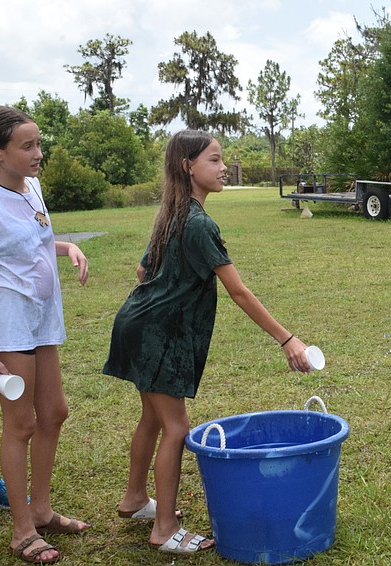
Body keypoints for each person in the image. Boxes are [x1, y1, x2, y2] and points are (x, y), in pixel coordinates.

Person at [102, 129, 313, 556]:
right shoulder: (198, 223)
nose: (222, 168)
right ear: (188, 167)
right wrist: (286, 339)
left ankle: (135, 498)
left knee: (153, 418)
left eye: (221, 160)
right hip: (158, 334)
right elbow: (239, 292)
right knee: (176, 426)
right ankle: (163, 529)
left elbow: (143, 273)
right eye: (214, 160)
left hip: (137, 323)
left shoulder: (171, 213)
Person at [0, 105, 90, 564]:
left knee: (53, 411)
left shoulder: (31, 188)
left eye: (38, 144)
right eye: (27, 146)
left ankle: (42, 509)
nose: (38, 154)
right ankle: (21, 532)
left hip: (42, 315)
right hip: (7, 322)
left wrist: (66, 246)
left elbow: (30, 242)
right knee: (21, 423)